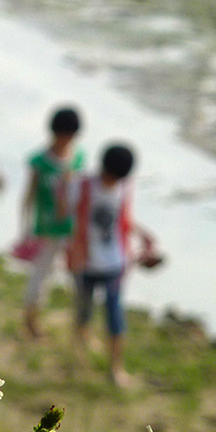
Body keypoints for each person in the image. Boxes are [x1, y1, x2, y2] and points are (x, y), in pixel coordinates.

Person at [63, 143, 161, 386]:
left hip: (114, 264)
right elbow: (66, 217)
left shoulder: (123, 187)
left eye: (116, 179)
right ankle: (80, 355)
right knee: (83, 311)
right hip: (85, 264)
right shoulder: (82, 186)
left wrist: (143, 234)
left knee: (115, 316)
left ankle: (115, 369)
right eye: (109, 177)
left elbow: (123, 218)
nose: (111, 182)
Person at [17, 106, 85, 339]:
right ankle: (30, 320)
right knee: (41, 276)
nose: (66, 141)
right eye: (63, 135)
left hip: (72, 229)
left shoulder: (78, 158)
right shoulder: (39, 162)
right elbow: (29, 195)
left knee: (77, 276)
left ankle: (81, 327)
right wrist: (25, 229)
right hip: (46, 229)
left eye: (70, 137)